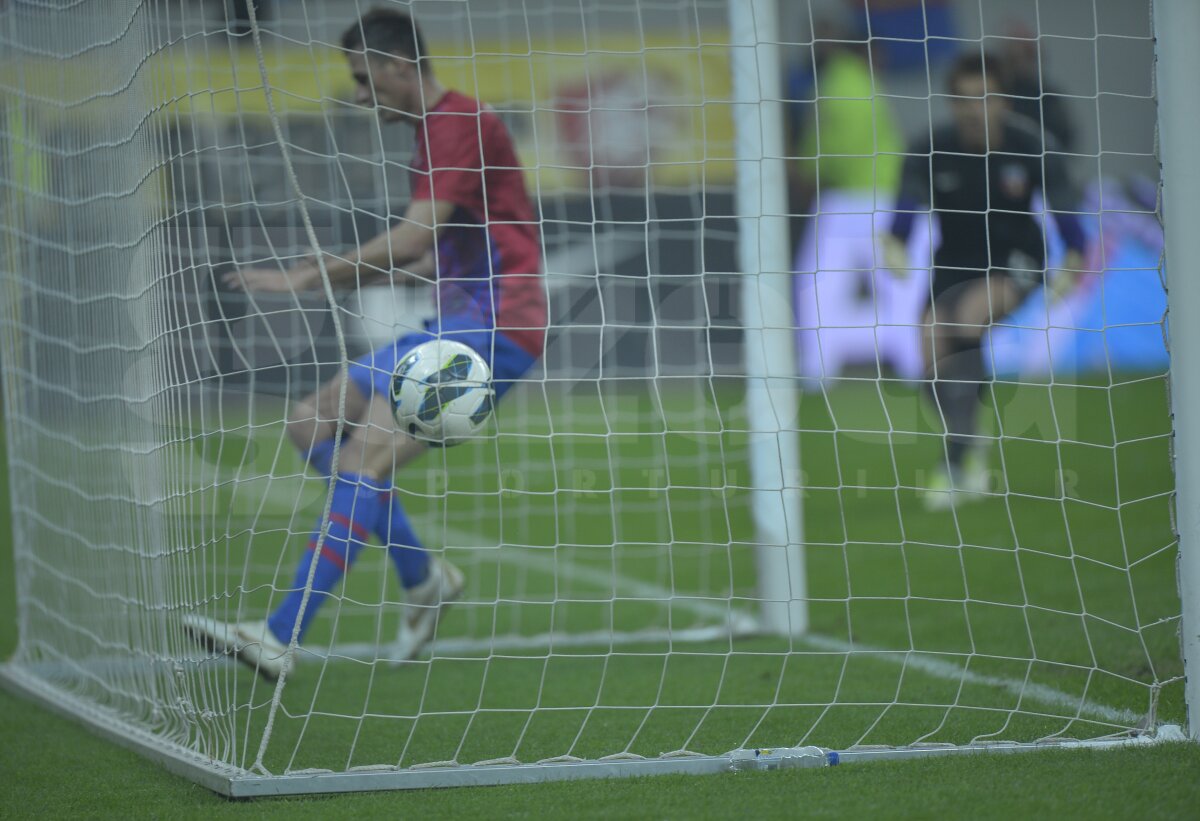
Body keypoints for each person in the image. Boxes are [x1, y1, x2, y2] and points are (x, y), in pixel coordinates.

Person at [185, 8, 546, 679]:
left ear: (397, 68)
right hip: (456, 318)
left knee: (361, 457)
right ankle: (423, 578)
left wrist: (311, 274)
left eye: (362, 78)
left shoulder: (459, 125)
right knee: (308, 424)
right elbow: (433, 255)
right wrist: (349, 270)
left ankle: (277, 635)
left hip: (497, 327)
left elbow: (412, 239)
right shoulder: (432, 136)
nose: (357, 95)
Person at [880, 52, 1086, 509]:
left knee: (969, 317)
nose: (975, 108)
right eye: (965, 99)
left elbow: (1069, 218)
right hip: (953, 261)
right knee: (932, 348)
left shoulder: (1031, 146)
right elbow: (904, 212)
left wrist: (1073, 260)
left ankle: (954, 468)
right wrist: (894, 243)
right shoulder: (929, 146)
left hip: (1017, 260)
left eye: (985, 98)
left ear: (1003, 102)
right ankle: (970, 440)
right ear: (953, 104)